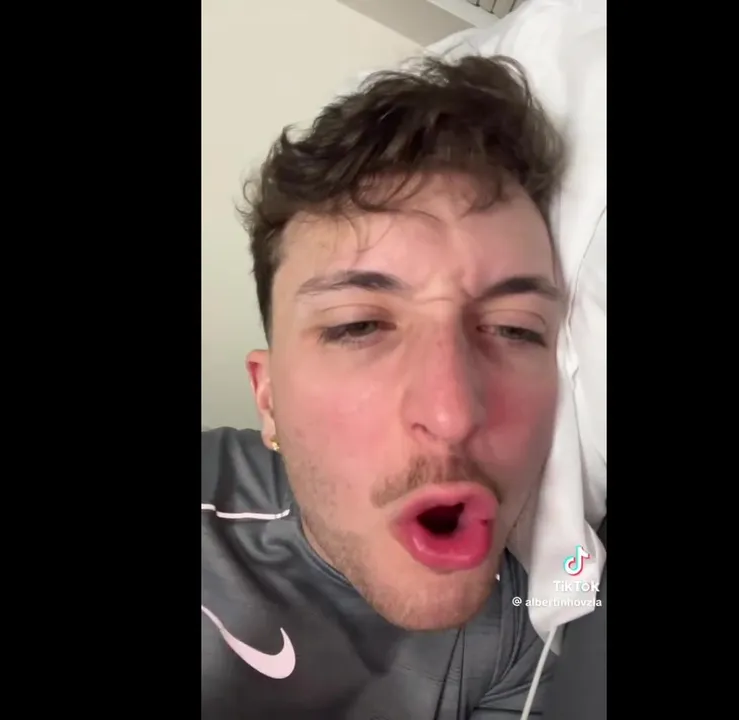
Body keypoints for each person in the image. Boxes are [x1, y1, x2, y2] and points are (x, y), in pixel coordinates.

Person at [201, 55, 566, 718]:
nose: (452, 413)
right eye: (359, 325)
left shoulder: (533, 629)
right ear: (268, 398)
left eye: (514, 329)